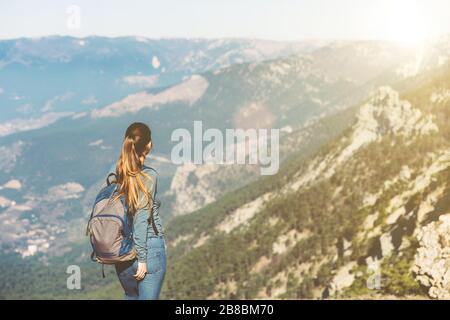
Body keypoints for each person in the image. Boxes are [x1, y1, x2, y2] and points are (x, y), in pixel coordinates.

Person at [112, 122, 166, 300]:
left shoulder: (118, 172)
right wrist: (142, 258)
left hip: (123, 254)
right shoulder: (149, 176)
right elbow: (141, 217)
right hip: (148, 251)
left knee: (130, 297)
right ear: (148, 145)